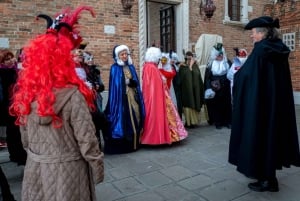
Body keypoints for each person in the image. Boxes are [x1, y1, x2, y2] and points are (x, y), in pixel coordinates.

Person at [9, 6, 104, 201]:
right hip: (69, 172)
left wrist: (37, 154)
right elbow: (87, 139)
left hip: (36, 168)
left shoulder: (27, 93)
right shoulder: (72, 95)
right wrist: (97, 167)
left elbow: (25, 138)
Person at [228, 16, 300, 192]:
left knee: (260, 137)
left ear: (262, 33)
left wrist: (237, 74)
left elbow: (246, 76)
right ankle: (270, 178)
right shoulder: (280, 49)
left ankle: (266, 180)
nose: (252, 36)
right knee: (271, 138)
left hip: (260, 105)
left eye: (253, 33)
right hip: (275, 104)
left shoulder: (261, 50)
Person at [141, 47, 187, 145]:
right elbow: (155, 85)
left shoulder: (148, 66)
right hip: (158, 97)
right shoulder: (151, 68)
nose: (159, 60)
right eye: (158, 57)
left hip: (158, 96)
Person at [103, 44, 145, 154]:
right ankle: (126, 145)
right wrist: (124, 84)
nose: (125, 56)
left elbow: (136, 82)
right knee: (124, 119)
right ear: (118, 56)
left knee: (136, 116)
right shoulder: (114, 68)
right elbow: (115, 86)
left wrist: (132, 83)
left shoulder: (131, 66)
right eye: (122, 54)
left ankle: (135, 143)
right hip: (121, 100)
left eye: (126, 54)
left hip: (133, 97)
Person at [0, 49, 27, 165]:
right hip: (8, 106)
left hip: (18, 104)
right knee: (13, 131)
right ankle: (17, 155)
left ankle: (19, 154)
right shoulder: (3, 73)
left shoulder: (16, 70)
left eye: (11, 57)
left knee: (17, 130)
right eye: (7, 59)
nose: (11, 61)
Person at [204, 43, 232, 129]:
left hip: (226, 88)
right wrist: (209, 88)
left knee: (227, 105)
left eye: (221, 54)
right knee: (216, 105)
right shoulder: (210, 65)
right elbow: (208, 78)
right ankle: (218, 122)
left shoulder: (228, 63)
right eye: (218, 55)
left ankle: (228, 122)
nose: (220, 56)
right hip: (215, 88)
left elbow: (232, 74)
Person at [179, 51, 204, 128]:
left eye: (191, 58)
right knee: (188, 105)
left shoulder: (195, 66)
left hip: (195, 90)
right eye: (188, 58)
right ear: (186, 58)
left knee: (195, 103)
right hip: (187, 91)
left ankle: (194, 122)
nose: (190, 60)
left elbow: (198, 76)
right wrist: (189, 68)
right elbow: (182, 78)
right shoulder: (183, 67)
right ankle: (188, 122)